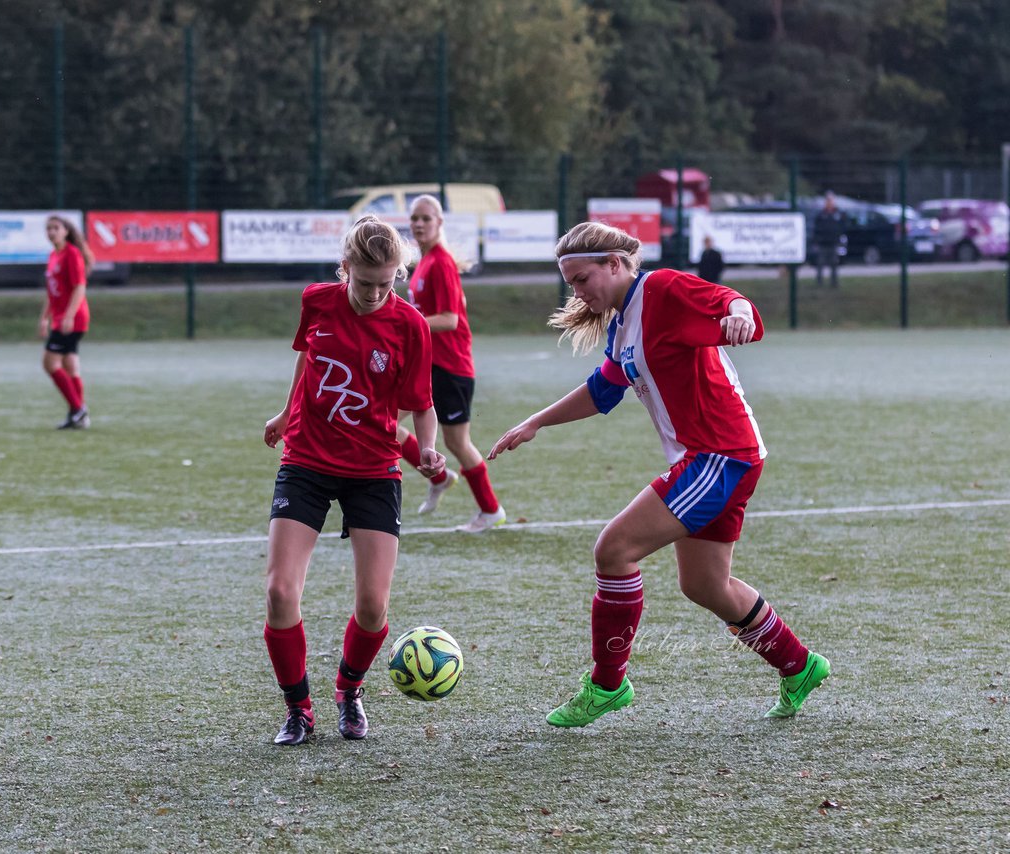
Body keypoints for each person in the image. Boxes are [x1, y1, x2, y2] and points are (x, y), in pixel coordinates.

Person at [488, 221, 829, 729]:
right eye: (571, 283)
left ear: (616, 265)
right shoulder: (622, 322)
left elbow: (739, 308)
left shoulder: (662, 289)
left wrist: (736, 313)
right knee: (705, 584)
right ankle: (799, 665)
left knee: (613, 549)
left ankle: (607, 685)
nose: (577, 292)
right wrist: (536, 421)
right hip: (715, 457)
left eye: (582, 279)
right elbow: (604, 388)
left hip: (720, 454)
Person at [262, 214, 445, 746]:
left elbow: (422, 405)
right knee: (279, 590)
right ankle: (298, 710)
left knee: (372, 607)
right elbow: (307, 362)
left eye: (386, 283)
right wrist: (284, 411)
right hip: (307, 460)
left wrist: (428, 449)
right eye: (364, 283)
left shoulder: (409, 325)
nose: (374, 294)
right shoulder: (317, 301)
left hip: (373, 470)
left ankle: (349, 691)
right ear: (344, 270)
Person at [394, 194, 506, 533]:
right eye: (414, 218)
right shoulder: (425, 262)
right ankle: (440, 477)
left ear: (439, 222)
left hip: (451, 366)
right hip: (429, 365)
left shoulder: (441, 262)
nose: (418, 224)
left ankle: (490, 511)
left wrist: (409, 322)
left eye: (426, 218)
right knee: (384, 422)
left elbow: (450, 319)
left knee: (457, 443)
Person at [40, 215, 93, 429]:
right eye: (48, 228)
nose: (51, 232)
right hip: (61, 319)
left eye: (56, 228)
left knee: (50, 363)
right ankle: (78, 415)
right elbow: (53, 292)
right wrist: (44, 317)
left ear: (66, 231)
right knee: (70, 366)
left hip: (72, 319)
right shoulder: (54, 255)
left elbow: (79, 287)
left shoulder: (71, 254)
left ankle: (78, 410)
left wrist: (69, 315)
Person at [812, 192, 846, 288]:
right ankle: (819, 283)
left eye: (831, 200)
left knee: (834, 263)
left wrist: (840, 238)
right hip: (823, 243)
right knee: (820, 263)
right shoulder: (821, 215)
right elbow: (816, 229)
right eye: (828, 200)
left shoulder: (838, 214)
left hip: (834, 243)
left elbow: (842, 227)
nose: (829, 202)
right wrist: (816, 241)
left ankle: (834, 282)